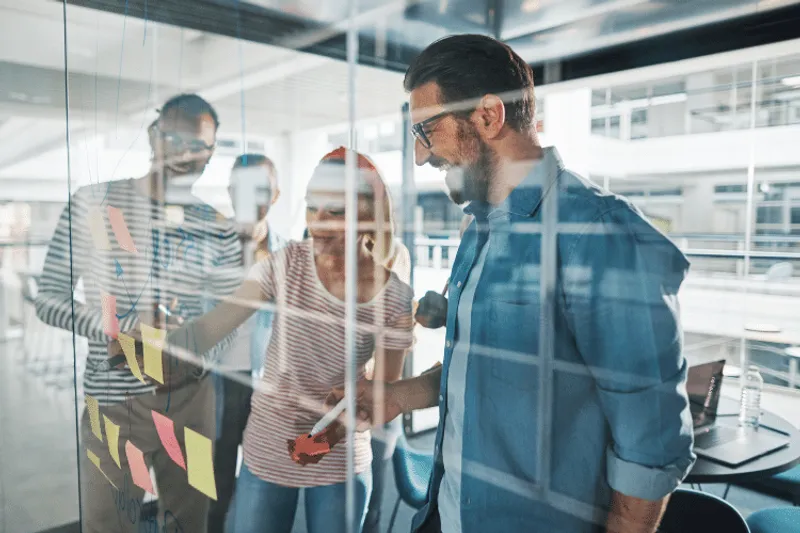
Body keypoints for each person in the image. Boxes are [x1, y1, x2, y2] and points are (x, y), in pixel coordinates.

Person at [327, 35, 695, 533]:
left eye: (426, 129)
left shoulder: (599, 235)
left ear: (488, 116)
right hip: (447, 515)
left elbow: (649, 447)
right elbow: (480, 368)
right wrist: (397, 396)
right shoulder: (479, 229)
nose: (419, 155)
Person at [111, 147, 415, 533]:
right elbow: (212, 326)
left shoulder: (395, 297)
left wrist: (328, 437)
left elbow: (381, 395)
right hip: (269, 446)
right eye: (312, 207)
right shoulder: (285, 262)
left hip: (341, 454)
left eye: (336, 211)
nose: (318, 222)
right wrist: (149, 346)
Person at [36, 94, 242, 533]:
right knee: (106, 524)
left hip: (191, 401)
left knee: (190, 522)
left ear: (211, 153)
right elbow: (48, 298)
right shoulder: (92, 204)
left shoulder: (218, 226)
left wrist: (194, 353)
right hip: (114, 402)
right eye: (176, 140)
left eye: (200, 146)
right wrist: (116, 328)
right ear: (153, 137)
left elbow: (229, 318)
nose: (187, 155)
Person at [207, 153, 287, 533]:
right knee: (211, 489)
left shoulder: (290, 253)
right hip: (214, 383)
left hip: (268, 386)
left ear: (276, 195)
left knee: (266, 488)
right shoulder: (204, 249)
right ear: (229, 192)